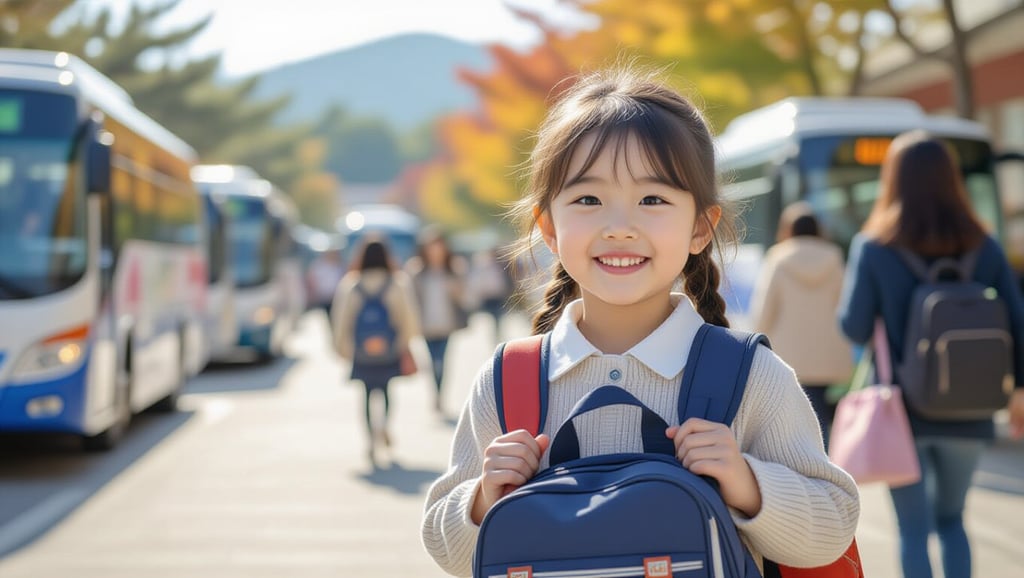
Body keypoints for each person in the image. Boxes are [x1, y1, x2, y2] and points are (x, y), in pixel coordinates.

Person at [421, 65, 859, 577]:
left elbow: (832, 529)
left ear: (700, 227)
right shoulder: (508, 382)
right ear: (549, 228)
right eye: (588, 199)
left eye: (653, 199)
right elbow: (445, 549)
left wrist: (747, 482)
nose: (620, 227)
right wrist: (481, 499)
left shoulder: (748, 376)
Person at [837, 130, 1024, 578]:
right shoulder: (984, 243)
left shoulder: (874, 247)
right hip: (973, 409)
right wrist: (1018, 390)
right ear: (952, 179)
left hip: (904, 413)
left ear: (893, 180)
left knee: (914, 529)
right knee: (954, 520)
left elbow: (854, 326)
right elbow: (1018, 322)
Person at [748, 202, 852, 450]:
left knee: (794, 415)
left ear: (787, 230)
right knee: (821, 412)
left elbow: (764, 308)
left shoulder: (778, 258)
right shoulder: (834, 257)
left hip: (788, 353)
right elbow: (844, 303)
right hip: (826, 352)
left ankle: (804, 462)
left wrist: (754, 340)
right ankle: (822, 460)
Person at [331, 238, 421, 464]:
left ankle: (371, 439)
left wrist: (343, 348)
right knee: (388, 390)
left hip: (361, 352)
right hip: (389, 349)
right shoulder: (397, 283)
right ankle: (384, 426)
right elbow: (407, 317)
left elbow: (342, 319)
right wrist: (404, 343)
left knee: (366, 395)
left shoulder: (352, 284)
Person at [407, 228, 468, 414]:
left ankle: (439, 396)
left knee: (442, 361)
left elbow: (464, 297)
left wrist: (455, 287)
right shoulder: (416, 270)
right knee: (433, 361)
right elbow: (410, 298)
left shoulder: (453, 268)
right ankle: (436, 393)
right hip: (426, 325)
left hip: (446, 324)